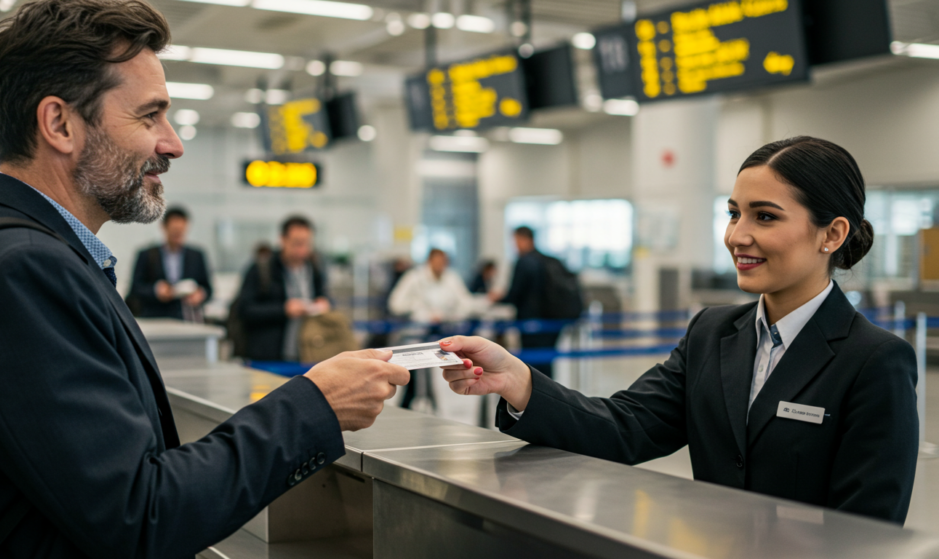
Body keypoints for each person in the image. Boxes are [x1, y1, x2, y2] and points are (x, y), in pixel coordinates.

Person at [0, 2, 408, 557]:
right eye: (149, 116)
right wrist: (315, 405)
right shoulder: (22, 270)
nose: (172, 143)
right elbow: (139, 515)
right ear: (59, 123)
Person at [441, 137, 917, 524]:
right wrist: (516, 379)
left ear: (831, 234)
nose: (737, 235)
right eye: (733, 213)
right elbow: (625, 427)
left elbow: (868, 530)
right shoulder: (712, 334)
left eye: (765, 216)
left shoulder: (873, 361)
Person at [235, 215, 330, 362]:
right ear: (282, 240)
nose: (302, 249)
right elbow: (245, 309)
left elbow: (323, 295)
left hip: (306, 352)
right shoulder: (262, 268)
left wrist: (323, 303)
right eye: (297, 243)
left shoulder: (314, 267)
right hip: (268, 356)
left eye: (306, 243)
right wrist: (283, 310)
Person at [388, 248, 475, 409]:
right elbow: (396, 303)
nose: (440, 265)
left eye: (443, 262)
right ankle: (408, 405)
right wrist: (420, 312)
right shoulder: (414, 278)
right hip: (417, 336)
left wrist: (449, 315)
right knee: (415, 378)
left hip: (443, 337)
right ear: (429, 261)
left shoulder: (451, 279)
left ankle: (433, 406)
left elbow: (465, 304)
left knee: (437, 381)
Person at [491, 226, 559, 378]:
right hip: (550, 321)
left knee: (533, 368)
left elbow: (515, 294)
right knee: (546, 364)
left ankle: (537, 399)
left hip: (530, 323)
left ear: (522, 239)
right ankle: (552, 398)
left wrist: (497, 299)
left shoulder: (524, 262)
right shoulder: (546, 260)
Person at [128, 206, 212, 321]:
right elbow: (135, 289)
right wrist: (156, 290)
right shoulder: (147, 255)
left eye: (181, 231)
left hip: (186, 317)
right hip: (154, 317)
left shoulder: (196, 256)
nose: (177, 235)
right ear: (164, 227)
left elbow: (208, 288)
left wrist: (200, 294)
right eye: (174, 231)